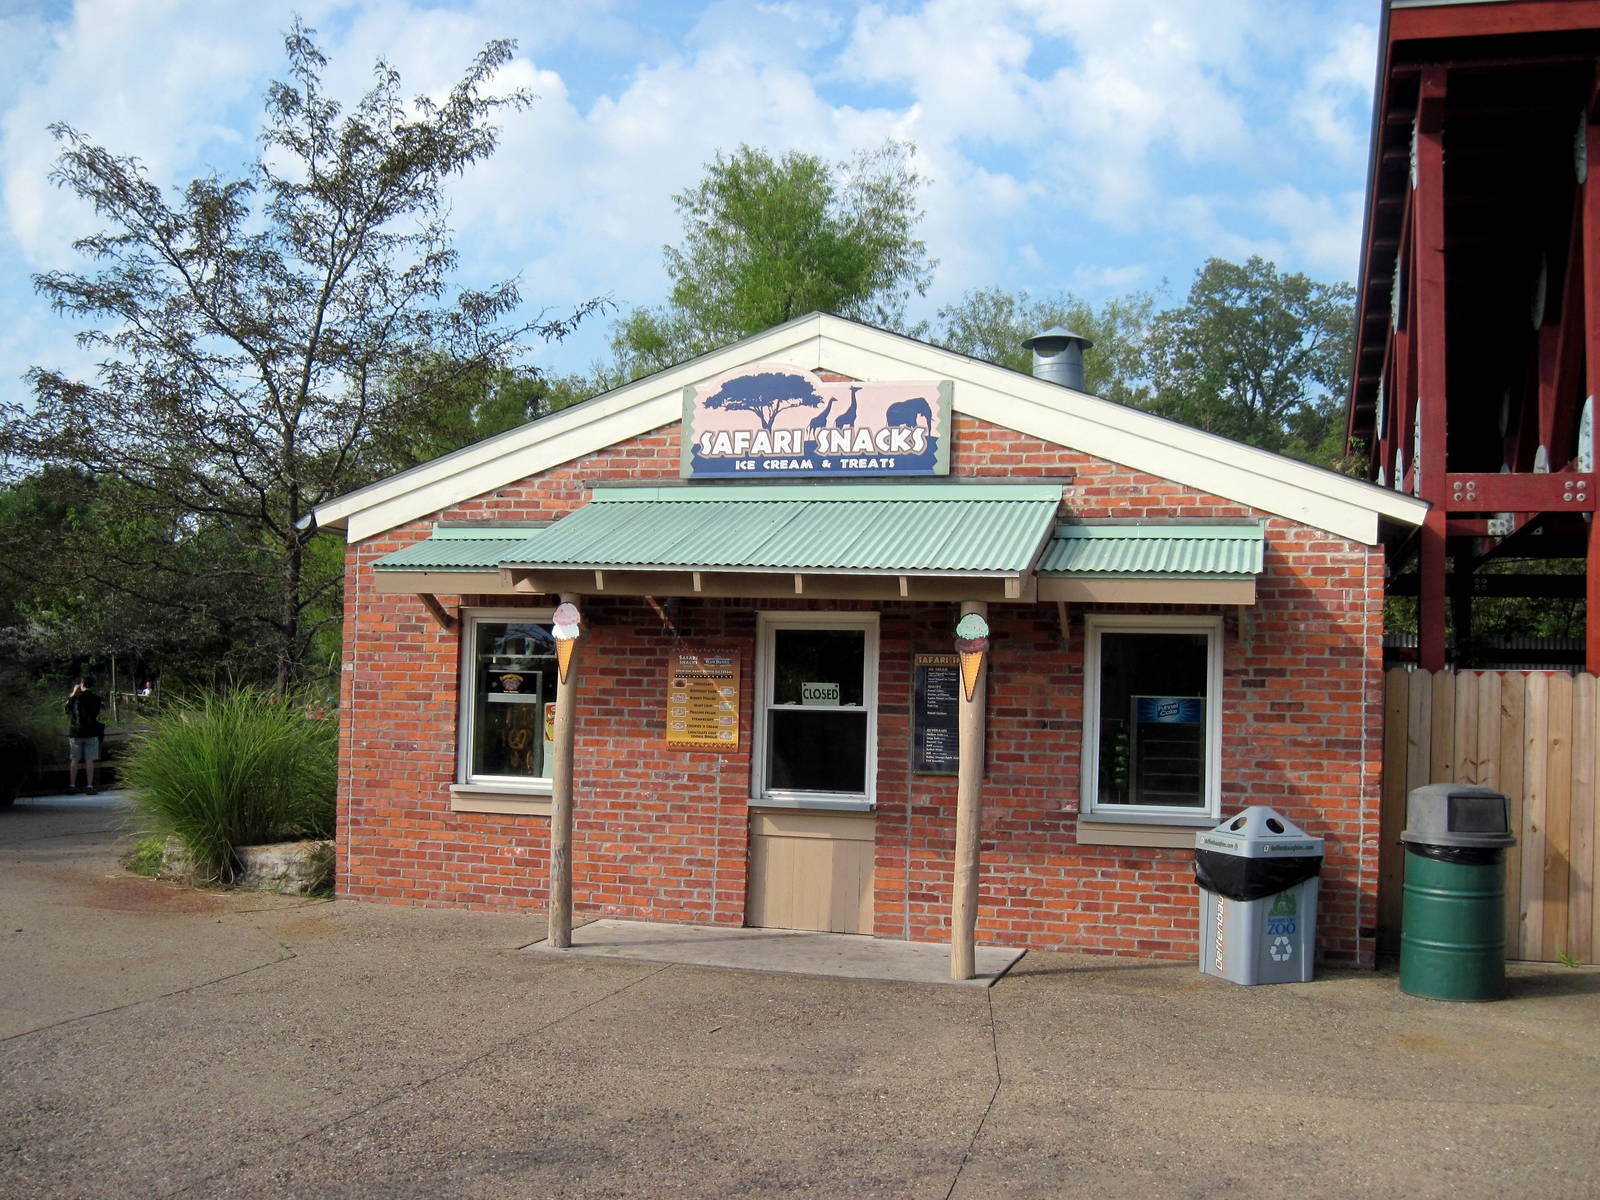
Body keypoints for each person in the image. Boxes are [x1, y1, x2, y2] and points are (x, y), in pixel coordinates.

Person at [65, 677, 106, 794]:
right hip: (91, 732)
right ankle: (89, 786)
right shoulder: (96, 699)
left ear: (82, 684)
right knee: (89, 760)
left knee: (74, 760)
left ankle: (72, 785)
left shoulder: (75, 698)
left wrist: (74, 692)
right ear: (92, 685)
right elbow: (97, 713)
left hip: (76, 733)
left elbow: (66, 709)